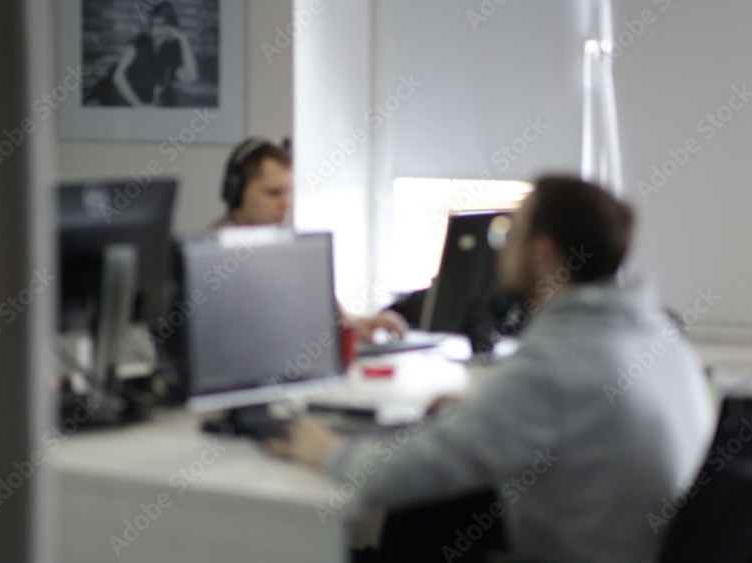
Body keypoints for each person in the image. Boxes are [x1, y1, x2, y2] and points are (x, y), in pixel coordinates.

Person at [267, 175, 717, 562]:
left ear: (543, 254)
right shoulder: (656, 334)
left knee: (421, 502)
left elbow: (395, 477)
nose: (499, 251)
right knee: (442, 511)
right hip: (636, 544)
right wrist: (486, 410)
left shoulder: (553, 368)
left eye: (509, 235)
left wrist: (327, 450)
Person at [214, 137, 408, 343]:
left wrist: (361, 326)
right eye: (273, 193)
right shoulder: (212, 261)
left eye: (288, 192)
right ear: (235, 192)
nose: (285, 203)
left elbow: (336, 322)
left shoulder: (293, 253)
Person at [85, 1, 199, 107]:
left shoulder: (170, 53)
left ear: (171, 27)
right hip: (110, 94)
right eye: (152, 24)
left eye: (160, 25)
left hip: (134, 105)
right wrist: (139, 107)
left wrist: (182, 38)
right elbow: (117, 77)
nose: (154, 30)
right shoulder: (140, 42)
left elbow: (191, 77)